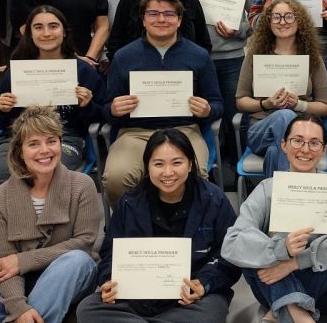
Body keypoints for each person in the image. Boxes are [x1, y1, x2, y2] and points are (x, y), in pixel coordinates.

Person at [0, 106, 100, 323]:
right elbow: (3, 266)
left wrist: (23, 260)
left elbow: (83, 243)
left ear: (60, 143)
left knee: (77, 260)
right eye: (34, 144)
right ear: (20, 151)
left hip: (67, 277)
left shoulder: (82, 185)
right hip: (19, 281)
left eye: (51, 141)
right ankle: (35, 314)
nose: (45, 150)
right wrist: (18, 307)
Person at [76, 128, 241, 322]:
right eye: (159, 164)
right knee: (88, 309)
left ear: (189, 165)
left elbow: (230, 253)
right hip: (135, 297)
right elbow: (110, 253)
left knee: (210, 313)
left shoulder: (213, 199)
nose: (168, 172)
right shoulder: (130, 201)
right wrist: (107, 281)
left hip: (189, 299)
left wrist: (204, 284)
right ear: (147, 166)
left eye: (177, 162)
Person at [222, 115, 327, 323]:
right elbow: (232, 243)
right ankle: (297, 313)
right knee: (252, 253)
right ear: (283, 144)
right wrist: (281, 249)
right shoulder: (267, 189)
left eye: (314, 143)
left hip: (324, 286)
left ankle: (282, 309)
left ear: (325, 149)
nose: (305, 149)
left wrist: (294, 263)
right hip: (274, 280)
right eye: (297, 140)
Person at [0, 5, 106, 208]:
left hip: (64, 138)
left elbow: (101, 116)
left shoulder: (82, 71)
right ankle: (13, 230)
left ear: (64, 32)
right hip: (17, 138)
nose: (46, 33)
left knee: (45, 181)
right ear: (30, 34)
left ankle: (44, 233)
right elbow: (0, 121)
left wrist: (87, 106)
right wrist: (4, 109)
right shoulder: (17, 69)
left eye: (53, 26)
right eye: (38, 27)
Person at [103, 0, 222, 206]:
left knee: (195, 176)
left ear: (179, 20)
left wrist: (208, 110)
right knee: (115, 178)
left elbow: (217, 103)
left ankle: (183, 230)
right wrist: (113, 109)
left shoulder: (198, 56)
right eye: (153, 14)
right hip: (135, 133)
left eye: (168, 14)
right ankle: (133, 226)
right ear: (143, 19)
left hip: (184, 132)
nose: (161, 19)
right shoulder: (123, 56)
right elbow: (106, 107)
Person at [188, 0, 256, 167]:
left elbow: (259, 17)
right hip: (196, 60)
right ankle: (204, 166)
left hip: (233, 59)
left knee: (236, 118)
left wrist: (239, 30)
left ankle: (235, 168)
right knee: (198, 116)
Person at [236, 0, 327, 177]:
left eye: (289, 16)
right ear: (268, 22)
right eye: (276, 17)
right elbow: (241, 101)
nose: (282, 22)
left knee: (274, 151)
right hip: (260, 130)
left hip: (302, 137)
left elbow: (325, 106)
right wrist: (266, 104)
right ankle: (295, 191)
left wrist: (299, 105)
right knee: (285, 116)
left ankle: (278, 200)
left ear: (299, 21)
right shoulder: (255, 55)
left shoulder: (312, 57)